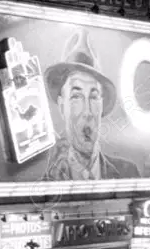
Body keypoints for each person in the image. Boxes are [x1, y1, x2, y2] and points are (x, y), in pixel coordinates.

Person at [42, 29, 140, 181]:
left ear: (102, 106)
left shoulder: (128, 174)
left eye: (94, 97)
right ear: (62, 106)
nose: (87, 112)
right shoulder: (47, 188)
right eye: (76, 97)